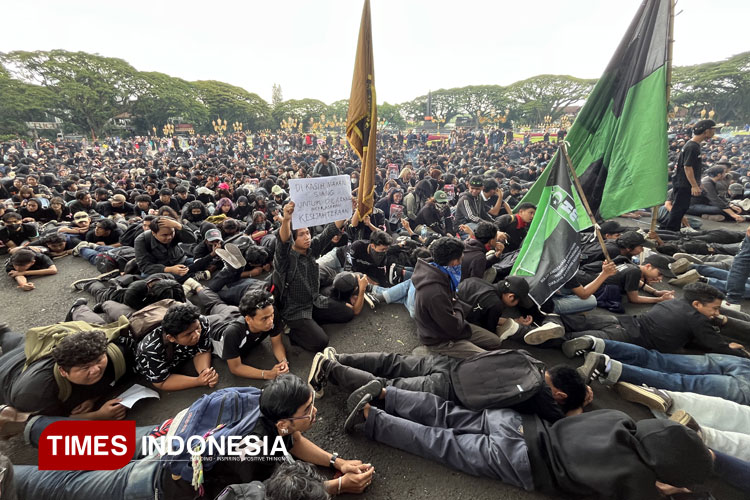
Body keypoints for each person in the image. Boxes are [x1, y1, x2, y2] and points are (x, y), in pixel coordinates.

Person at [6, 375, 373, 499]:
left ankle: (27, 425)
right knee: (68, 483)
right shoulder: (256, 457)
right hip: (160, 482)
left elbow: (291, 440)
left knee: (85, 445)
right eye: (308, 411)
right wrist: (336, 485)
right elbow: (279, 495)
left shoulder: (257, 399)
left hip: (170, 438)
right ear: (283, 422)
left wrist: (336, 462)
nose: (314, 414)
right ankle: (8, 475)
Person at [345, 386, 713, 499]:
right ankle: (371, 419)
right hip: (521, 461)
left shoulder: (619, 420)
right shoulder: (639, 483)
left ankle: (387, 394)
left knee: (446, 414)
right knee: (441, 443)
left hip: (520, 424)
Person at [308, 348, 591, 423]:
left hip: (449, 365)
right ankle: (330, 369)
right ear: (560, 394)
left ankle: (340, 358)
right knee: (389, 385)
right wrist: (579, 403)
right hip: (449, 390)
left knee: (393, 361)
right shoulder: (543, 398)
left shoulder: (532, 362)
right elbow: (569, 422)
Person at [412, 236, 515, 358]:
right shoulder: (435, 292)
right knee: (488, 358)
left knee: (495, 342)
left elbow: (454, 303)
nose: (462, 260)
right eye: (462, 257)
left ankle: (463, 347)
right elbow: (453, 327)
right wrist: (457, 308)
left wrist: (456, 307)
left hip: (452, 322)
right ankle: (433, 353)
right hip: (439, 338)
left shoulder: (437, 271)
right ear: (454, 261)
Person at [573, 339, 750, 405]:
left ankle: (598, 344)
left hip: (743, 362)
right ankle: (607, 366)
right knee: (680, 382)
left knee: (658, 359)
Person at [0, 329, 131, 418]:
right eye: (85, 368)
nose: (96, 369)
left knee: (8, 336)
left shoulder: (115, 354)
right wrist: (98, 416)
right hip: (6, 374)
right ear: (63, 371)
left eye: (98, 360)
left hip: (27, 348)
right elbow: (41, 423)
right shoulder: (34, 393)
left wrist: (93, 398)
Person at [273, 201, 349, 352]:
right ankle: (292, 330)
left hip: (314, 300)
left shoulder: (311, 248)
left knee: (347, 314)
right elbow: (282, 242)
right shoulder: (284, 259)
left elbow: (329, 232)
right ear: (293, 238)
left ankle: (311, 322)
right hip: (294, 310)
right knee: (320, 342)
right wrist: (287, 219)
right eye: (301, 234)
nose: (307, 237)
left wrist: (346, 209)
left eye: (307, 232)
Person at [189, 286, 289, 381]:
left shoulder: (269, 312)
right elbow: (235, 368)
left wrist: (283, 361)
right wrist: (267, 374)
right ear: (248, 319)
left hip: (231, 313)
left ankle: (198, 287)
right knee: (191, 315)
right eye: (264, 319)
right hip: (215, 326)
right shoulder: (233, 333)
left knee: (215, 304)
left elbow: (277, 343)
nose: (270, 321)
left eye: (271, 315)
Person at [134, 302, 219, 391]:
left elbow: (202, 351)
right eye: (188, 334)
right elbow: (161, 382)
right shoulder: (150, 350)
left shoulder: (201, 322)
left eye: (197, 328)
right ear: (171, 338)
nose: (196, 335)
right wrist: (197, 381)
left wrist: (205, 374)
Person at [661, 120, 720, 231]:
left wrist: (698, 183)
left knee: (681, 207)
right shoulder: (692, 147)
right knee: (680, 207)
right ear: (706, 131)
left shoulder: (693, 145)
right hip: (684, 182)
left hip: (683, 181)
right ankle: (671, 230)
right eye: (713, 129)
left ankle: (671, 228)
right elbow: (687, 167)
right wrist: (694, 185)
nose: (714, 132)